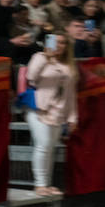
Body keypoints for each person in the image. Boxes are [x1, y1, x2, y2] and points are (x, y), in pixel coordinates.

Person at [24, 31, 78, 196]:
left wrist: (72, 118)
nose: (59, 45)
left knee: (51, 148)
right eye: (56, 41)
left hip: (59, 111)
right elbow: (31, 78)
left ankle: (46, 184)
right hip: (38, 108)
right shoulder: (39, 57)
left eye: (62, 42)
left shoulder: (69, 65)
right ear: (48, 42)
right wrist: (46, 57)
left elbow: (70, 94)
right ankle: (40, 184)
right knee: (44, 145)